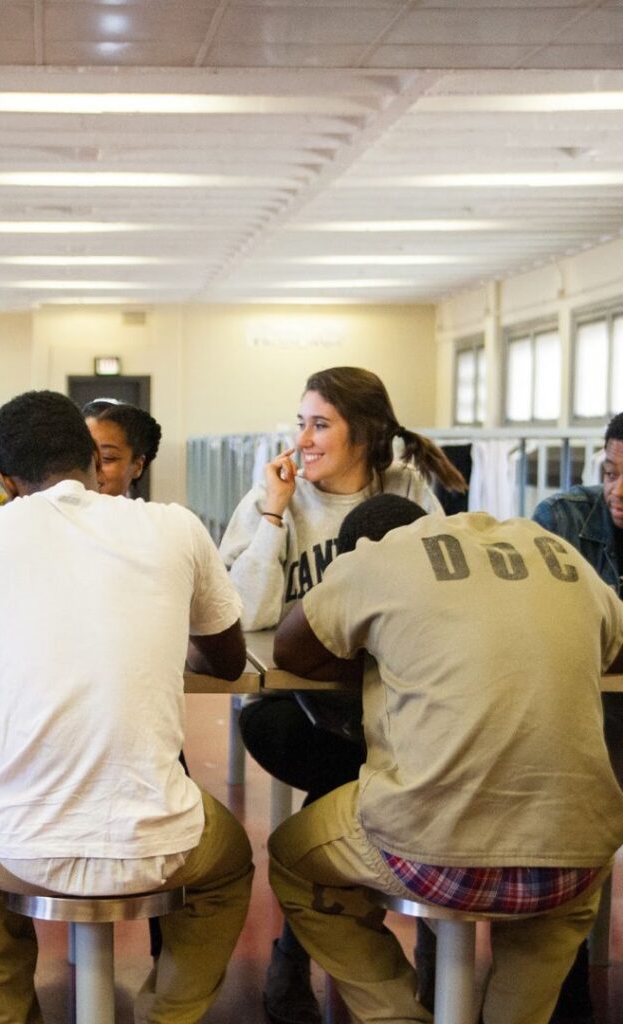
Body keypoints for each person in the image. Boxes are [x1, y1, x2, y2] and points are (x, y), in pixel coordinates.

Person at [0, 390, 254, 1024]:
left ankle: (3, 1013)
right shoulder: (175, 526)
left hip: (15, 846)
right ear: (93, 455)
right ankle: (169, 1012)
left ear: (3, 480)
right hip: (157, 839)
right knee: (231, 866)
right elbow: (227, 660)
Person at [269, 495, 623, 1024]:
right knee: (550, 929)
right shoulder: (557, 551)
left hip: (430, 850)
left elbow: (290, 650)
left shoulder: (378, 557)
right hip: (576, 858)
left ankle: (395, 1013)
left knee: (291, 858)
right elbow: (615, 652)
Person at [219, 366, 466, 1024]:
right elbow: (244, 613)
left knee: (366, 788)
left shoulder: (408, 492)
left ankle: (311, 947)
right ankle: (307, 952)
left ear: (365, 434)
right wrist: (273, 511)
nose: (303, 438)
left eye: (320, 423)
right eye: (300, 422)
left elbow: (442, 593)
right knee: (356, 786)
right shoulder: (274, 495)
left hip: (396, 700)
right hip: (294, 703)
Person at [0, 397, 164, 1023]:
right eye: (98, 456)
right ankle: (177, 1001)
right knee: (224, 853)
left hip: (26, 824)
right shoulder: (175, 528)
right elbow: (223, 646)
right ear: (84, 459)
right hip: (137, 817)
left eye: (115, 458)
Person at [533, 410, 623, 1024]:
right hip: (581, 716)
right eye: (612, 472)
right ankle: (565, 992)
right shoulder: (564, 519)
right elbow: (543, 630)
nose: (617, 491)